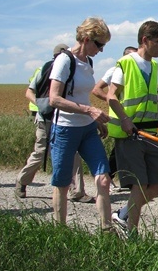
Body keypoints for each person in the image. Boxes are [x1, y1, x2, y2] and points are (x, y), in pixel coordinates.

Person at [108, 20, 158, 235]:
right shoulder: (126, 63)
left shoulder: (154, 66)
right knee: (139, 185)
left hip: (149, 133)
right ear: (145, 40)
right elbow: (111, 96)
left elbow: (156, 102)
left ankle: (122, 215)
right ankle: (131, 233)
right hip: (130, 134)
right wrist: (124, 119)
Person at [48, 18, 113, 231]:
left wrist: (94, 119)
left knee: (103, 179)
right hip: (65, 129)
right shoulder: (65, 61)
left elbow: (83, 97)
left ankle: (106, 230)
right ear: (86, 39)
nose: (101, 50)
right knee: (63, 184)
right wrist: (90, 110)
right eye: (99, 44)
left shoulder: (88, 62)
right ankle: (61, 232)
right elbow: (54, 99)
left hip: (87, 129)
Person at [15, 44, 91, 203]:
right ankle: (22, 181)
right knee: (41, 152)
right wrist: (41, 104)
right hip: (47, 119)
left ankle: (77, 192)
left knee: (75, 155)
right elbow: (29, 91)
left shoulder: (73, 67)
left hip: (66, 119)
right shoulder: (45, 68)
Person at [91, 45, 138, 186]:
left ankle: (129, 181)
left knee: (129, 151)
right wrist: (113, 102)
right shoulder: (115, 71)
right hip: (120, 118)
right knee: (118, 151)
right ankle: (107, 179)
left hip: (134, 116)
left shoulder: (137, 71)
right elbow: (96, 89)